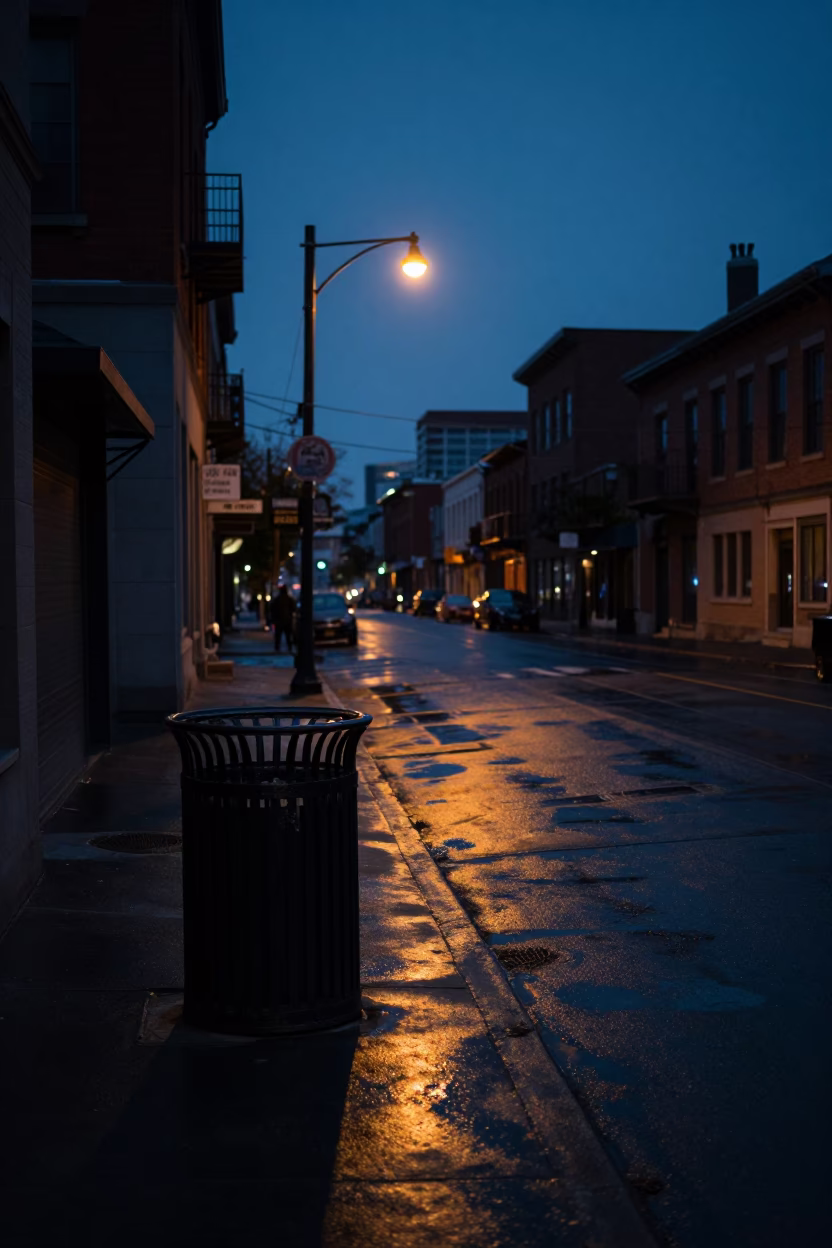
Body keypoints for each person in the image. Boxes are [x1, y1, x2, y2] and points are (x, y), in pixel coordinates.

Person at [270, 584, 296, 653]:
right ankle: (289, 648)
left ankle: (277, 648)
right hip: (287, 620)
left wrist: (273, 619)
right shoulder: (289, 599)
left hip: (279, 621)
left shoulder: (277, 599)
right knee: (288, 636)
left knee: (278, 636)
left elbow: (272, 609)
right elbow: (294, 609)